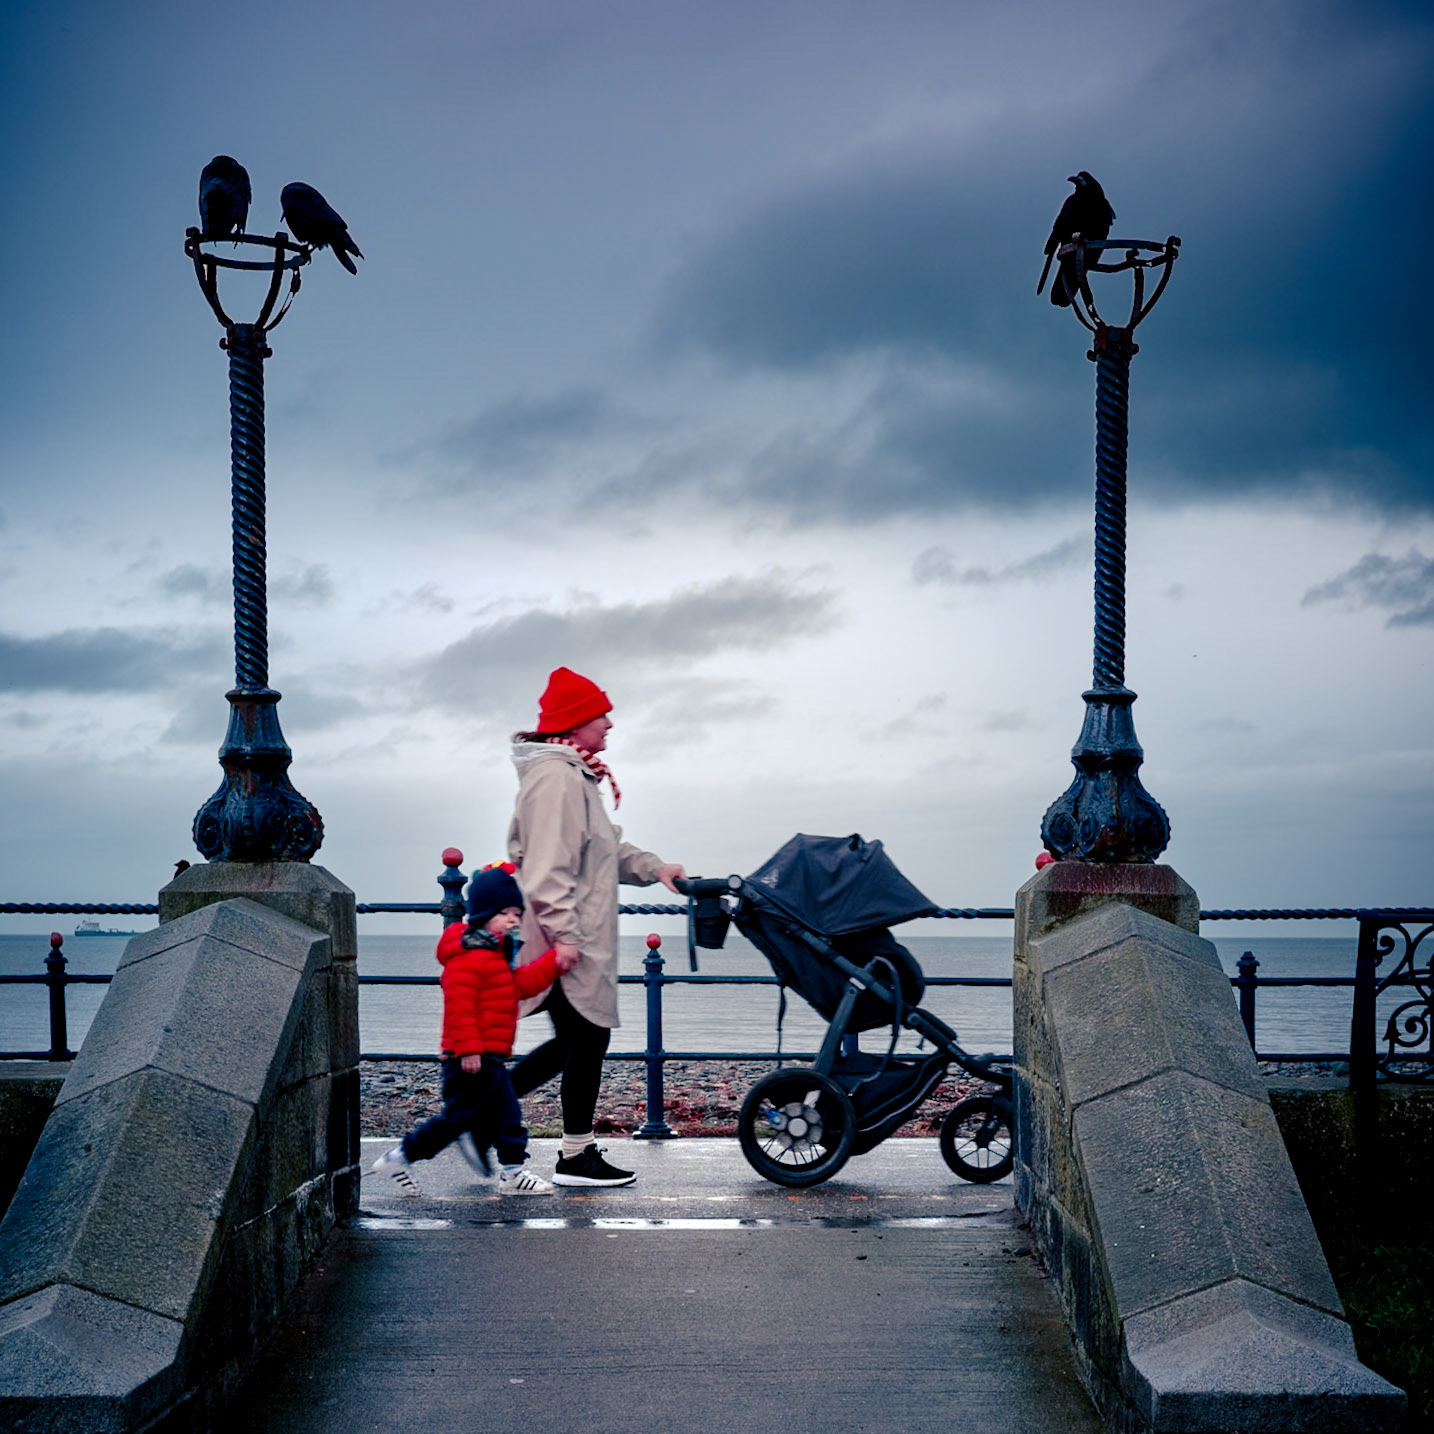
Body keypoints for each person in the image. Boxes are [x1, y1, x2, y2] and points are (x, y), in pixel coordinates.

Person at [507, 666, 686, 1187]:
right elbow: (546, 872)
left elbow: (604, 853)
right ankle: (546, 1142)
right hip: (567, 940)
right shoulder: (557, 780)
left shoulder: (574, 775)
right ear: (575, 721)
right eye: (599, 714)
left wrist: (656, 868)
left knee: (583, 1039)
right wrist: (566, 940)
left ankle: (566, 1149)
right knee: (582, 1039)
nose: (608, 723)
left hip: (574, 937)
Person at [371, 863, 577, 1197]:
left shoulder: (495, 954)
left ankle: (511, 1172)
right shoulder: (469, 956)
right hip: (470, 1057)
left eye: (516, 913)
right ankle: (402, 1157)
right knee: (457, 1120)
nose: (513, 920)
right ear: (483, 913)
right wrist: (468, 1049)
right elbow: (459, 1004)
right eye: (505, 913)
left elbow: (517, 986)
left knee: (503, 1114)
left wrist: (554, 962)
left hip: (489, 1055)